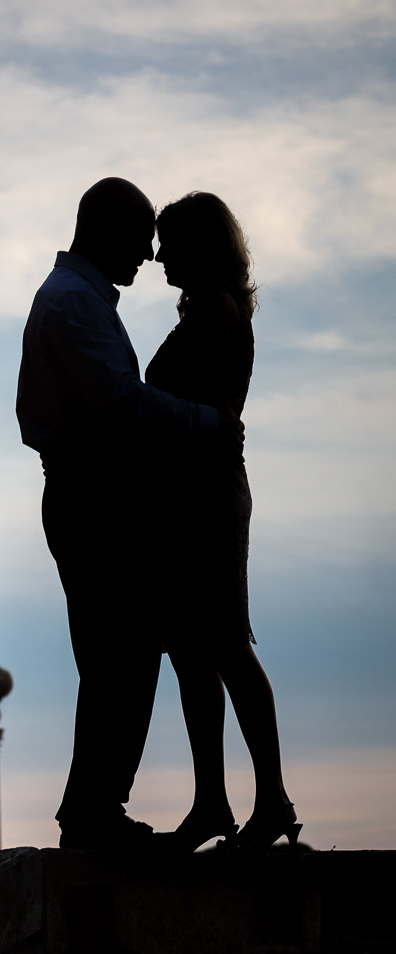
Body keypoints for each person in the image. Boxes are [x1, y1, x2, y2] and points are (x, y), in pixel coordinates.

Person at [16, 178, 219, 850]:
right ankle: (93, 813)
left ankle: (93, 808)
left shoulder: (76, 297)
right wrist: (203, 421)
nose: (149, 257)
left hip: (89, 494)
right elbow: (119, 403)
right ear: (106, 233)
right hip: (89, 496)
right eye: (139, 242)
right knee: (120, 654)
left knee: (116, 656)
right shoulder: (74, 303)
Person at [145, 191, 301, 852]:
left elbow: (179, 403)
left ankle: (266, 802)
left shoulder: (214, 310)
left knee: (223, 647)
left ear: (204, 244)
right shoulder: (217, 308)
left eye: (169, 243)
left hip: (203, 497)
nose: (157, 257)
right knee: (192, 651)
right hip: (193, 494)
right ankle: (217, 800)